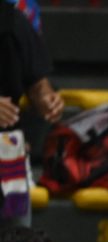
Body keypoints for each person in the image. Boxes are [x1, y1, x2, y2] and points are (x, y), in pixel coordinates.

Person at [0, 0, 63, 227]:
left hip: (8, 150)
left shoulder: (13, 21)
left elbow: (38, 83)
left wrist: (47, 99)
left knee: (18, 237)